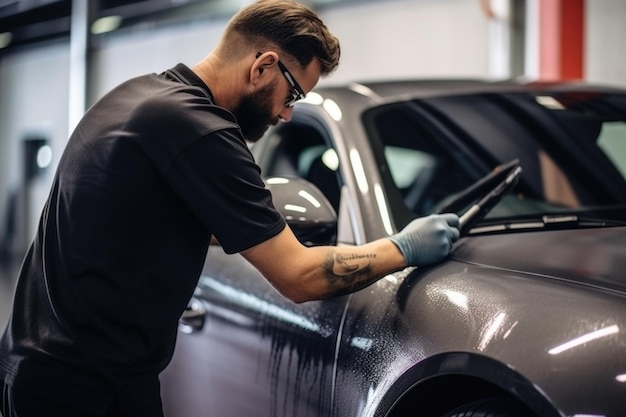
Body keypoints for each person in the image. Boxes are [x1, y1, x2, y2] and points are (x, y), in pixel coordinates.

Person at [0, 0, 460, 416]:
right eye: (294, 95)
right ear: (263, 66)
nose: (286, 115)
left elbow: (194, 221)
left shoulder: (142, 96)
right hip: (83, 389)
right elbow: (299, 276)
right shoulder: (202, 131)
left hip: (51, 369)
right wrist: (402, 247)